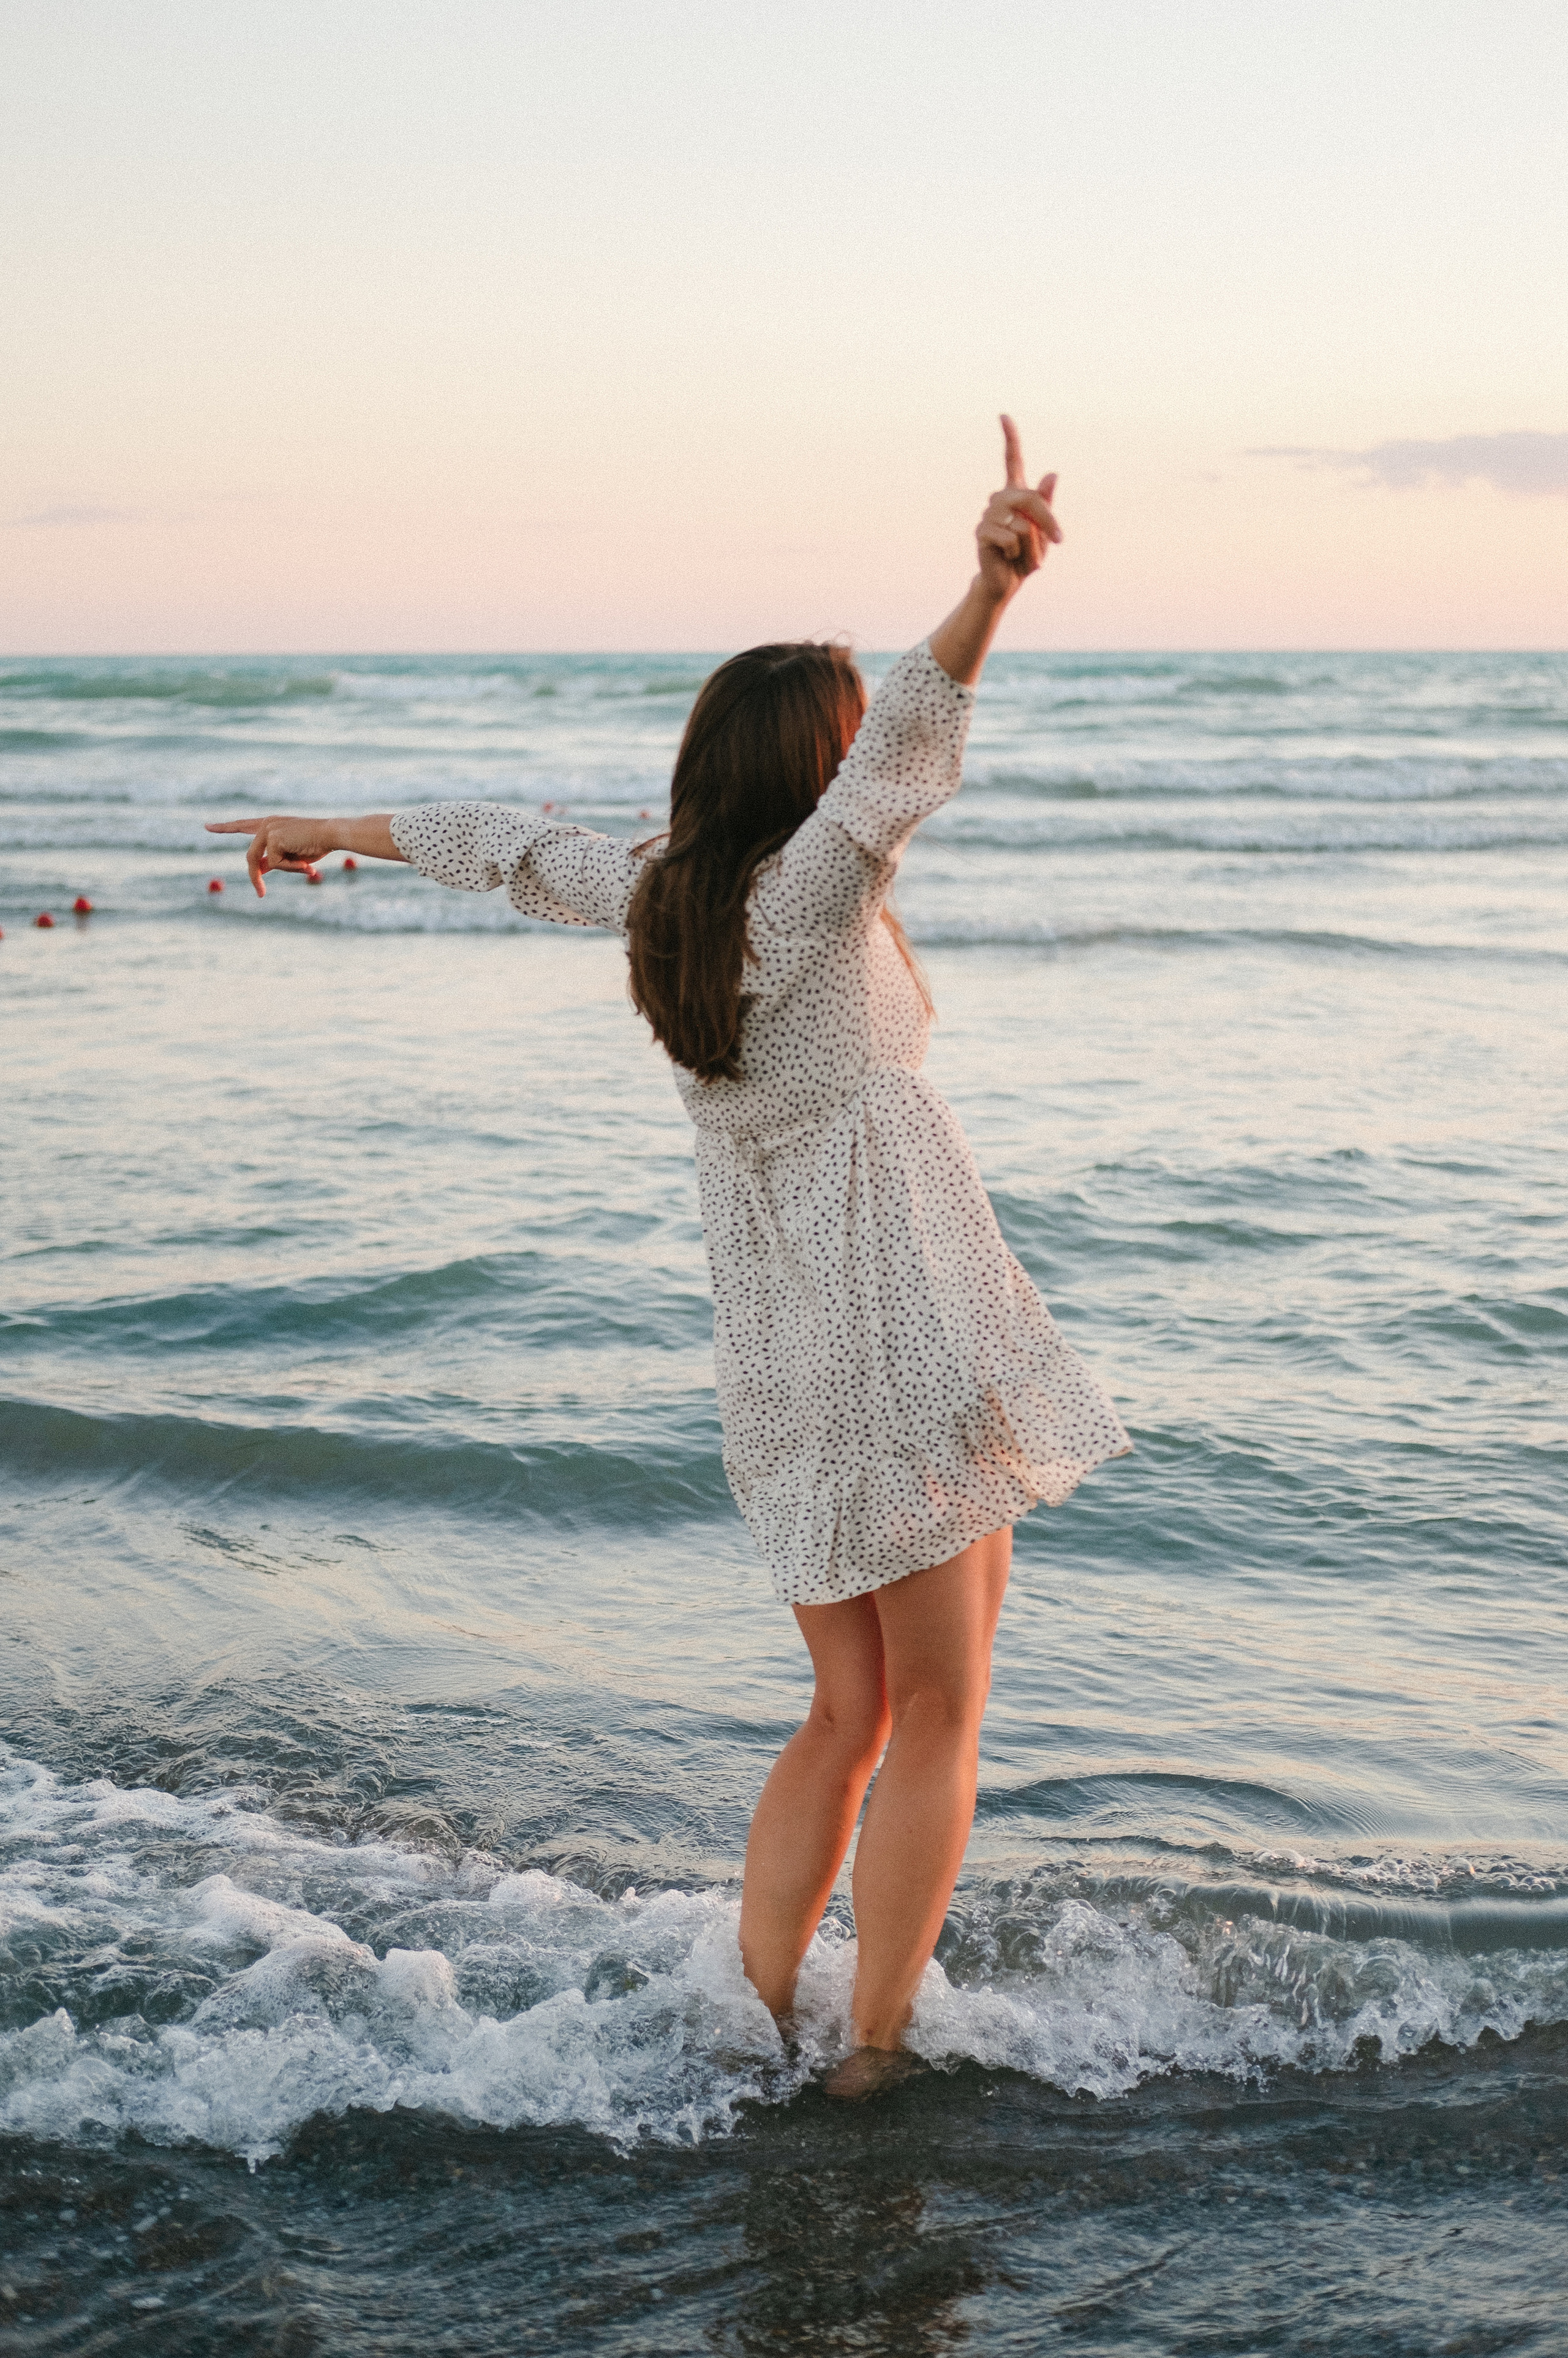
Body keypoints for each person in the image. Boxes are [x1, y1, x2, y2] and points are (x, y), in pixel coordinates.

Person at [208, 417, 1131, 2098]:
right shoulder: (823, 890)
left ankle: (762, 2012)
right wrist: (990, 587)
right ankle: (868, 2055)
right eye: (841, 753)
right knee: (940, 1712)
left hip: (779, 1363)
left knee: (845, 1714)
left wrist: (326, 824)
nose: (866, 772)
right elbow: (917, 734)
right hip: (906, 1330)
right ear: (814, 774)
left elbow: (489, 836)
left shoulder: (661, 901)